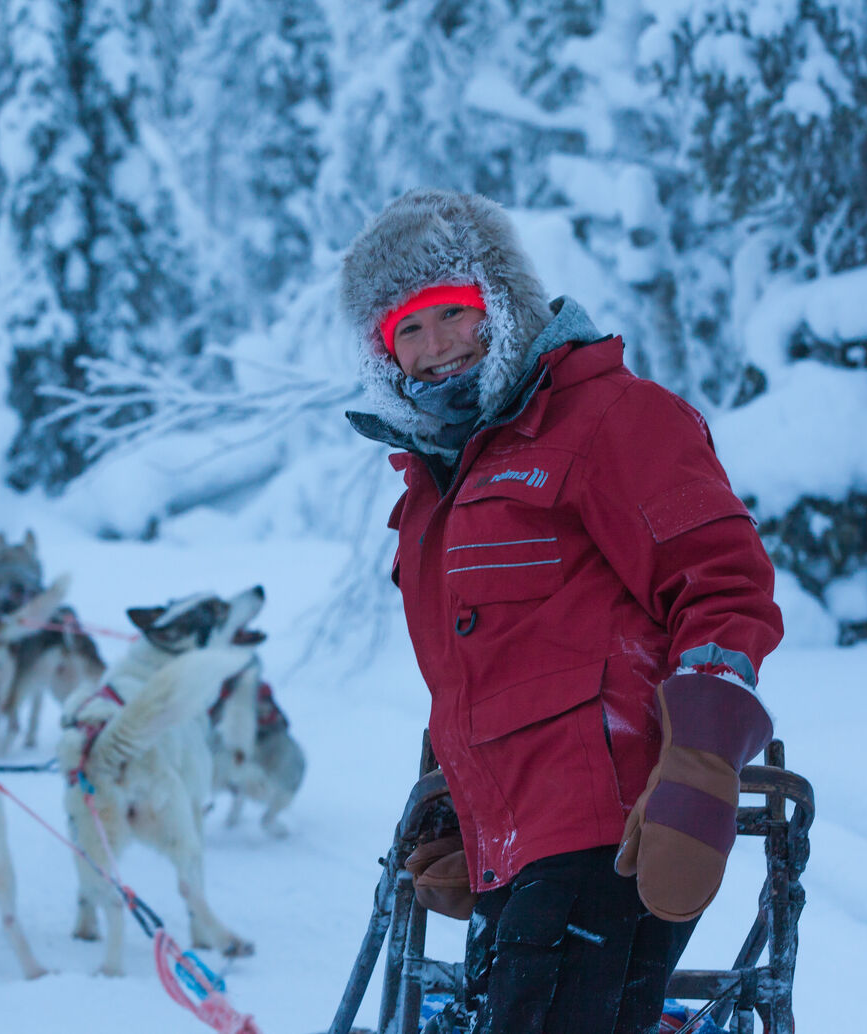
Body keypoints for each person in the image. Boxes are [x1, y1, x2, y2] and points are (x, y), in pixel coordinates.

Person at [340, 189, 784, 1034]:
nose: (435, 351)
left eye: (451, 316)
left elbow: (723, 585)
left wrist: (699, 766)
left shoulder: (610, 418)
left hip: (613, 823)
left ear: (499, 309)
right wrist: (455, 809)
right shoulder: (437, 488)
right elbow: (476, 673)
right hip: (522, 849)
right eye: (408, 331)